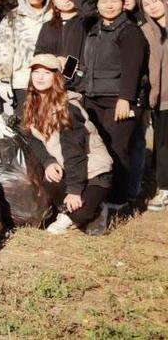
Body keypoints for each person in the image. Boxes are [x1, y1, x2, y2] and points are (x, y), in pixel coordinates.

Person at [19, 54, 113, 234]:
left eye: (46, 73)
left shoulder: (67, 108)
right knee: (48, 179)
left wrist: (75, 191)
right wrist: (48, 162)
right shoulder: (33, 103)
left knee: (80, 215)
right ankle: (78, 209)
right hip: (68, 167)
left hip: (94, 171)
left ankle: (95, 208)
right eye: (36, 72)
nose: (39, 77)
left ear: (57, 77)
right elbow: (31, 138)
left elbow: (74, 153)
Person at [80, 0, 147, 208]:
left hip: (118, 99)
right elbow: (84, 10)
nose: (109, 5)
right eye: (104, 1)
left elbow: (133, 69)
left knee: (118, 149)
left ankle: (119, 199)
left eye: (114, 0)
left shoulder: (129, 31)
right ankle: (102, 195)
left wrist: (125, 99)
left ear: (123, 3)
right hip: (93, 96)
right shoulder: (93, 28)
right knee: (100, 147)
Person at [0, 0, 52, 111]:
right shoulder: (12, 18)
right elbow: (4, 50)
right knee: (25, 128)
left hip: (51, 83)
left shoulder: (54, 15)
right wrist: (3, 81)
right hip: (22, 81)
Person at [139, 0, 168, 210]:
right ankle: (164, 188)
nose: (152, 6)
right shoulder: (146, 31)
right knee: (163, 144)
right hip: (162, 98)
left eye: (155, 1)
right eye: (147, 4)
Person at [34, 0, 91, 90]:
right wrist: (56, 59)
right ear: (53, 2)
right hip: (52, 84)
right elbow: (38, 53)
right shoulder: (48, 26)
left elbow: (92, 12)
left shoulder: (86, 22)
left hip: (80, 84)